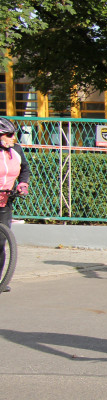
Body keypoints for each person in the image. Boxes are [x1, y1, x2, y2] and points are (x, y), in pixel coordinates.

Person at [0, 118, 30, 292]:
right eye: (10, 135)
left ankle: (0, 282)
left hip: (5, 199)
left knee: (1, 242)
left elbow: (25, 169)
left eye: (15, 134)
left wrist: (22, 184)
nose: (13, 138)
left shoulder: (16, 150)